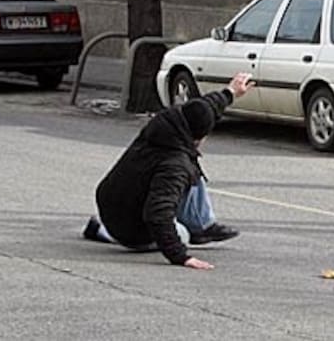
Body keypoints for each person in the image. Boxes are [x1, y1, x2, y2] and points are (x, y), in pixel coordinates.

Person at [82, 72, 254, 270]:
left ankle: (203, 226)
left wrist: (231, 91)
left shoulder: (167, 122)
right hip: (128, 225)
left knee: (193, 166)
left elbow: (205, 106)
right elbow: (157, 213)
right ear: (199, 136)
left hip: (111, 197)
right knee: (182, 235)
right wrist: (181, 256)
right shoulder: (174, 164)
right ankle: (103, 230)